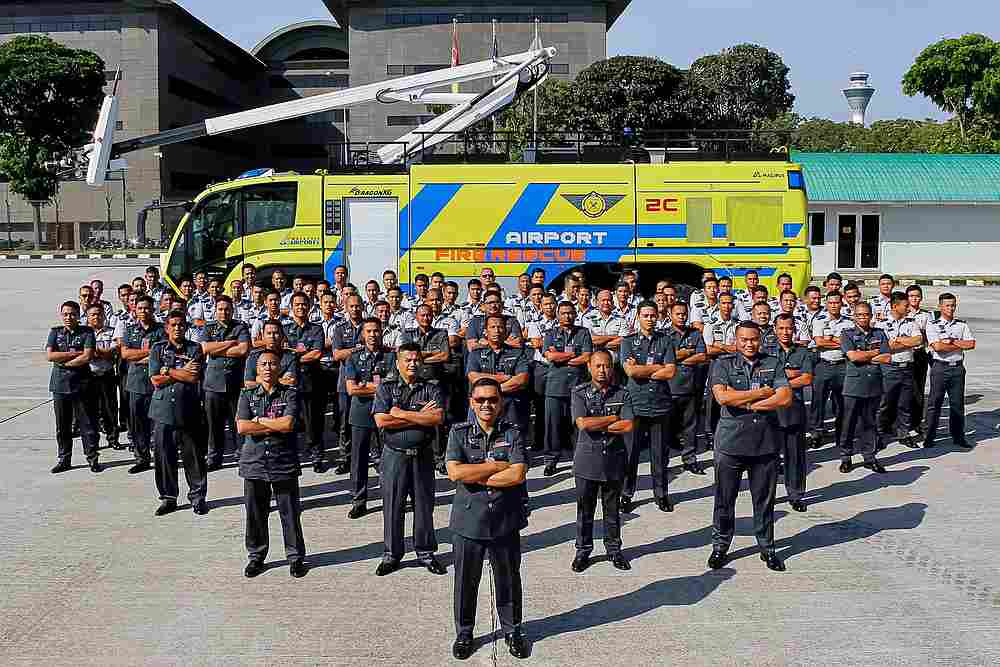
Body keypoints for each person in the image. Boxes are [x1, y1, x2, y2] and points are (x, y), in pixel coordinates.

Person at [445, 378, 528, 660]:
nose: (486, 405)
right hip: (469, 521)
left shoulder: (514, 433)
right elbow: (455, 473)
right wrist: (493, 467)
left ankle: (512, 630)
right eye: (480, 400)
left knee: (508, 580)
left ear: (501, 402)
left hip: (505, 519)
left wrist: (476, 473)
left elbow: (517, 474)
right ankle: (464, 632)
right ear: (471, 402)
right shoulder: (458, 433)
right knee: (466, 582)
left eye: (492, 399)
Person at [707, 321, 793, 573]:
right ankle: (720, 546)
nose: (749, 344)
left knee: (764, 501)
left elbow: (785, 397)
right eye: (743, 339)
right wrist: (762, 394)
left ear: (760, 340)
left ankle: (767, 548)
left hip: (764, 444)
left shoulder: (773, 362)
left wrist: (746, 403)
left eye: (753, 339)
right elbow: (722, 397)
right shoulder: (722, 364)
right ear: (736, 340)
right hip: (730, 444)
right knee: (724, 500)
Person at [372, 343, 446, 576]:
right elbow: (382, 421)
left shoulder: (431, 389)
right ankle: (391, 555)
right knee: (393, 506)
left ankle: (425, 553)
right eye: (407, 360)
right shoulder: (386, 388)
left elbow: (437, 418)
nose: (412, 363)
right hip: (394, 455)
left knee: (424, 506)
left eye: (416, 360)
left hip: (422, 456)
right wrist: (419, 417)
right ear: (398, 363)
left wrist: (402, 413)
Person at [237, 350, 308, 579]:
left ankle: (296, 557)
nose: (268, 368)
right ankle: (256, 556)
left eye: (272, 364)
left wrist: (260, 421)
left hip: (282, 461)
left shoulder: (289, 394)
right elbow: (242, 427)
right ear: (257, 370)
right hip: (254, 462)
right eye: (263, 364)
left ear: (279, 368)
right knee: (255, 514)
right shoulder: (247, 395)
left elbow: (288, 424)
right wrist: (272, 425)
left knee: (289, 513)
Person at [571, 350, 634, 573]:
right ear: (589, 367)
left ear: (611, 367)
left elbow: (627, 426)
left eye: (606, 366)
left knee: (612, 510)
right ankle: (583, 550)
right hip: (587, 461)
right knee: (585, 510)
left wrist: (597, 423)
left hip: (614, 461)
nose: (602, 370)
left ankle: (614, 550)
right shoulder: (580, 393)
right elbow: (583, 424)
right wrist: (611, 419)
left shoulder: (623, 393)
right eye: (597, 366)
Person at [148, 311, 208, 516]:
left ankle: (198, 497)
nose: (177, 328)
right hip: (163, 411)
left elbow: (193, 376)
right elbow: (155, 380)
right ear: (166, 328)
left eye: (181, 324)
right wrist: (178, 373)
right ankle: (168, 497)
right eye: (173, 325)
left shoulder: (195, 348)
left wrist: (168, 371)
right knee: (164, 456)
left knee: (194, 457)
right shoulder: (157, 349)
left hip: (188, 409)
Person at [620, 301, 677, 513]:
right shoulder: (627, 342)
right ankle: (626, 493)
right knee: (630, 453)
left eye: (653, 315)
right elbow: (630, 372)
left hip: (660, 404)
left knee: (659, 454)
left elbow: (670, 372)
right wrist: (657, 368)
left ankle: (661, 494)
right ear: (638, 317)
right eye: (646, 315)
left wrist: (643, 368)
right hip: (635, 404)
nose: (650, 319)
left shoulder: (666, 340)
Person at [344, 318, 395, 518]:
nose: (373, 335)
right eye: (369, 331)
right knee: (358, 460)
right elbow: (351, 389)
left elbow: (393, 387)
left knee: (390, 458)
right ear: (363, 334)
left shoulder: (391, 357)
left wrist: (365, 386)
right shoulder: (353, 358)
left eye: (376, 331)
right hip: (360, 414)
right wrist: (378, 387)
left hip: (386, 412)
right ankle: (359, 500)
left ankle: (391, 496)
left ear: (381, 332)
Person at [46, 301, 101, 474]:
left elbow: (87, 356)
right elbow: (50, 355)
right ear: (61, 315)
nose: (69, 317)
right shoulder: (55, 332)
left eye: (72, 314)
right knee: (62, 426)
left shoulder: (87, 332)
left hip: (82, 385)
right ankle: (64, 459)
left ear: (78, 315)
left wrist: (64, 362)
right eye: (66, 314)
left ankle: (92, 458)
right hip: (60, 386)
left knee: (88, 424)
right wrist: (74, 354)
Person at [541, 301, 593, 476]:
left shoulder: (583, 332)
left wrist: (561, 356)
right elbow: (550, 356)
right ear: (557, 315)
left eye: (570, 313)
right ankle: (550, 460)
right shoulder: (550, 333)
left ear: (575, 314)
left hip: (578, 386)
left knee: (577, 424)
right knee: (552, 426)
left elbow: (586, 357)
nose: (567, 316)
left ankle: (581, 458)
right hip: (555, 387)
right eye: (563, 313)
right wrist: (572, 355)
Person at [839, 303, 892, 474]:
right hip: (854, 385)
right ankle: (846, 456)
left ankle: (869, 457)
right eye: (859, 315)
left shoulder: (879, 333)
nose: (863, 318)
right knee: (849, 422)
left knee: (869, 423)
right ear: (854, 316)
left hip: (873, 384)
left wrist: (865, 356)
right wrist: (873, 354)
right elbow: (853, 357)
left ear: (871, 316)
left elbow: (887, 358)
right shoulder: (847, 334)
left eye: (866, 315)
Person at [202, 295, 251, 470]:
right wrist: (230, 343)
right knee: (213, 424)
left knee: (237, 422)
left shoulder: (240, 327)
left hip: (235, 383)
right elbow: (205, 349)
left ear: (233, 310)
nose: (224, 312)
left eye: (227, 309)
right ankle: (214, 457)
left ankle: (241, 455)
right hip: (213, 384)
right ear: (215, 311)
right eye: (221, 309)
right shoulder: (208, 327)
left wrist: (218, 348)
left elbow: (243, 350)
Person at [923, 293, 976, 449]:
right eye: (947, 305)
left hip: (957, 368)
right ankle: (929, 436)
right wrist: (959, 343)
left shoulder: (962, 325)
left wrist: (951, 342)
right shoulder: (932, 324)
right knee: (934, 403)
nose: (950, 308)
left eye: (953, 305)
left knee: (957, 405)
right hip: (940, 367)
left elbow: (971, 344)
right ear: (940, 306)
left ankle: (958, 436)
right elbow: (938, 347)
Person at [772, 314, 814, 512]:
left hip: (794, 408)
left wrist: (779, 379)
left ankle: (796, 494)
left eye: (789, 328)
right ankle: (768, 494)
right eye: (781, 328)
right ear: (774, 330)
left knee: (795, 455)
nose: (785, 332)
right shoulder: (766, 352)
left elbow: (806, 379)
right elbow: (764, 377)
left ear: (794, 329)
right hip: (770, 409)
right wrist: (791, 374)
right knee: (769, 457)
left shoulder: (803, 352)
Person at [120, 295, 166, 474]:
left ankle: (162, 456)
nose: (143, 311)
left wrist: (140, 357)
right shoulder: (130, 330)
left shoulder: (162, 331)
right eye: (140, 308)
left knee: (160, 423)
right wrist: (150, 355)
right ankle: (142, 458)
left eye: (147, 308)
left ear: (153, 309)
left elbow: (163, 355)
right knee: (138, 423)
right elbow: (125, 354)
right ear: (135, 310)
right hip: (136, 384)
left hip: (158, 384)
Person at [283, 292, 326, 471]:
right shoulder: (284, 329)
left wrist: (293, 356)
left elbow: (316, 353)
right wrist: (298, 355)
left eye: (304, 304)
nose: (301, 307)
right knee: (289, 420)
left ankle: (316, 456)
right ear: (292, 307)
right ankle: (290, 456)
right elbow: (281, 351)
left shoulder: (316, 329)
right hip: (289, 382)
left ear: (309, 307)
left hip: (311, 382)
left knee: (313, 422)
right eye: (297, 304)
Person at [665, 302, 709, 475]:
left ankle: (690, 460)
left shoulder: (695, 333)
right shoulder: (664, 335)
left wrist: (678, 357)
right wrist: (688, 352)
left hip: (691, 386)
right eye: (678, 314)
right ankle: (664, 461)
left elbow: (702, 356)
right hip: (669, 387)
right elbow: (664, 357)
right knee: (666, 428)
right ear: (670, 315)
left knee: (690, 426)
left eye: (684, 314)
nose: (682, 316)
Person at [876, 292, 923, 448]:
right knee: (885, 403)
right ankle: (880, 433)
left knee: (905, 402)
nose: (908, 307)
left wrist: (898, 341)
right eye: (905, 305)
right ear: (895, 306)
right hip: (889, 368)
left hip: (907, 367)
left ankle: (904, 433)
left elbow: (918, 340)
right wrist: (906, 342)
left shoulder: (911, 322)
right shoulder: (881, 324)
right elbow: (883, 347)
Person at [810, 291, 853, 448]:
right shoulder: (819, 320)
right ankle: (816, 432)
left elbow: (852, 343)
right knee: (818, 401)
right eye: (831, 303)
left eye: (837, 302)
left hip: (843, 365)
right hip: (824, 364)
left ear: (841, 303)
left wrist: (832, 340)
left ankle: (841, 432)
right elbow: (820, 342)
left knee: (841, 401)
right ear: (826, 304)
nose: (834, 305)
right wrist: (842, 342)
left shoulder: (849, 322)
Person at [331, 295, 366, 474]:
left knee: (369, 420)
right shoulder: (339, 329)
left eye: (358, 306)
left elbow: (375, 348)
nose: (355, 309)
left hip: (367, 381)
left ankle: (372, 455)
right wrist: (358, 349)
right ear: (346, 307)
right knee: (345, 423)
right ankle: (345, 457)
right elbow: (337, 355)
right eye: (351, 306)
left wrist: (348, 351)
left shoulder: (370, 327)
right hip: (345, 383)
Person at [85, 304, 122, 450]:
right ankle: (93, 441)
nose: (96, 317)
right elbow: (84, 354)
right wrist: (102, 352)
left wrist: (95, 352)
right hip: (89, 376)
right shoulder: (84, 334)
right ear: (88, 317)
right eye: (93, 314)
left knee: (110, 409)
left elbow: (114, 351)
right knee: (91, 411)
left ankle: (113, 438)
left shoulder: (112, 332)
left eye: (99, 314)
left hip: (107, 375)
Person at [906, 285, 932, 436]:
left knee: (918, 389)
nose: (914, 298)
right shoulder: (903, 313)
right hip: (904, 354)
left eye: (917, 296)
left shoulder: (926, 315)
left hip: (919, 354)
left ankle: (916, 422)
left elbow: (929, 335)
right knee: (903, 388)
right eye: (911, 296)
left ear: (921, 298)